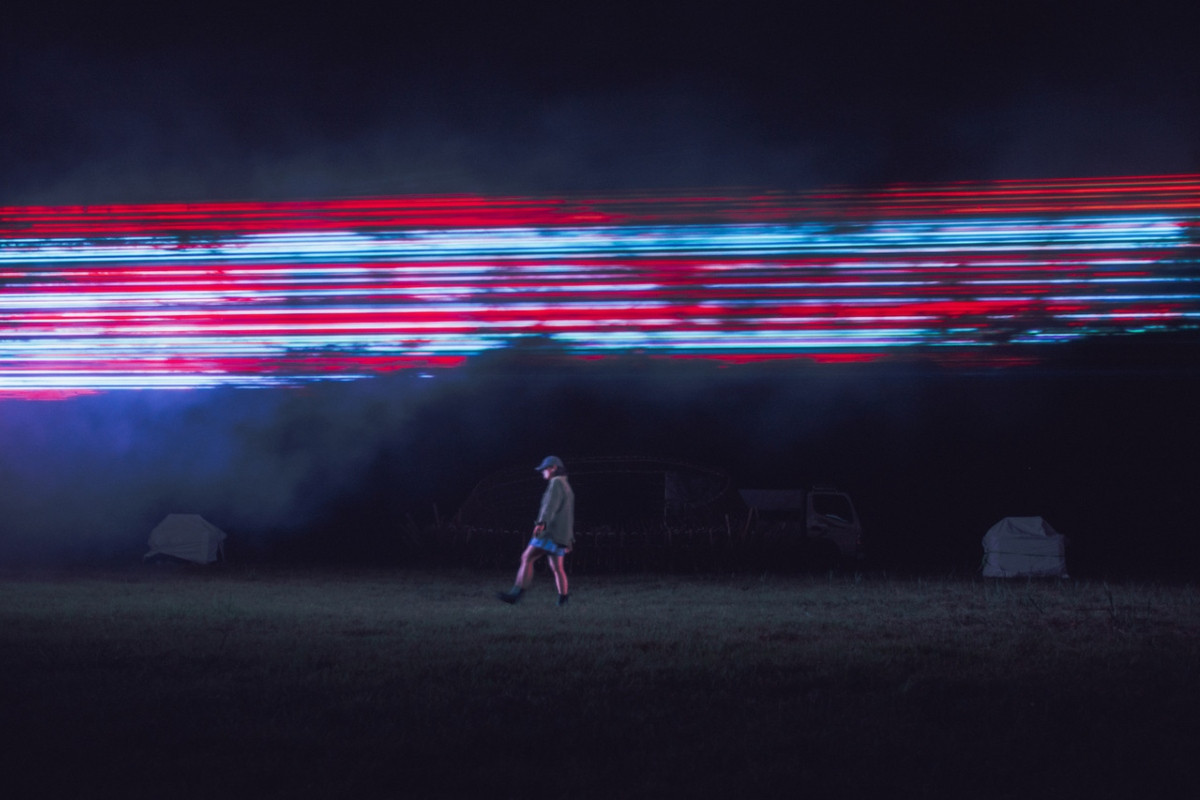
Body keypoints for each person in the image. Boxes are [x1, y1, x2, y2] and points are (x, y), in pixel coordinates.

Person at [497, 455, 575, 606]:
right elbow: (568, 515)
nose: (542, 472)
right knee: (557, 568)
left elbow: (550, 506)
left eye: (544, 469)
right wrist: (569, 539)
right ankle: (563, 599)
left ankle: (516, 594)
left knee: (527, 557)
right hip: (561, 535)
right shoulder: (566, 486)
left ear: (553, 468)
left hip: (549, 532)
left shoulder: (556, 483)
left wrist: (541, 523)